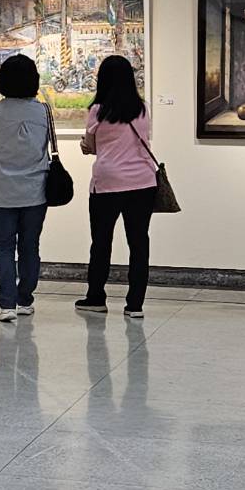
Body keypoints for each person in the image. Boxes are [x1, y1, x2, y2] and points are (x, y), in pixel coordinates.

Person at [77, 55, 156, 319]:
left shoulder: (98, 111)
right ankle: (135, 305)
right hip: (143, 183)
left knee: (101, 242)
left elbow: (91, 147)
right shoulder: (143, 108)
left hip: (107, 183)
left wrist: (86, 145)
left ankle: (96, 297)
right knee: (139, 243)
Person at [0, 54, 50, 323]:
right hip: (35, 191)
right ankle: (25, 299)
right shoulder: (42, 111)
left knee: (3, 248)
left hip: (1, 191)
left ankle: (7, 304)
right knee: (30, 246)